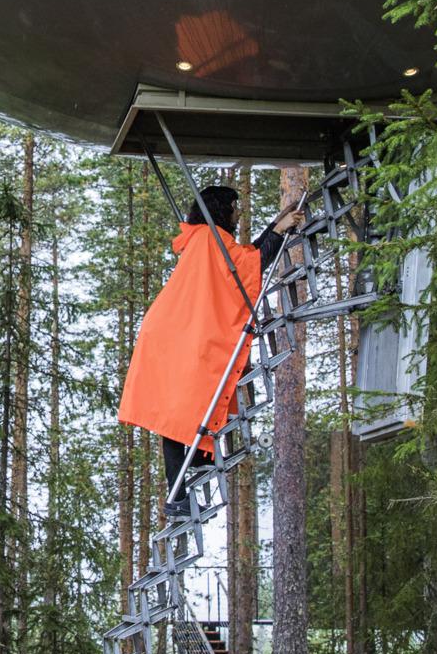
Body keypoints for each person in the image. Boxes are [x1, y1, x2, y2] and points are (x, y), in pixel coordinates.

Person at [117, 182, 301, 486]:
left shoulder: (207, 240)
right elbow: (249, 266)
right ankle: (177, 494)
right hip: (176, 335)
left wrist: (275, 226)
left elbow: (244, 258)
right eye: (234, 207)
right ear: (221, 209)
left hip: (175, 333)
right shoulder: (208, 240)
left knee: (187, 404)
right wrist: (278, 231)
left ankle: (197, 467)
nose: (238, 213)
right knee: (177, 412)